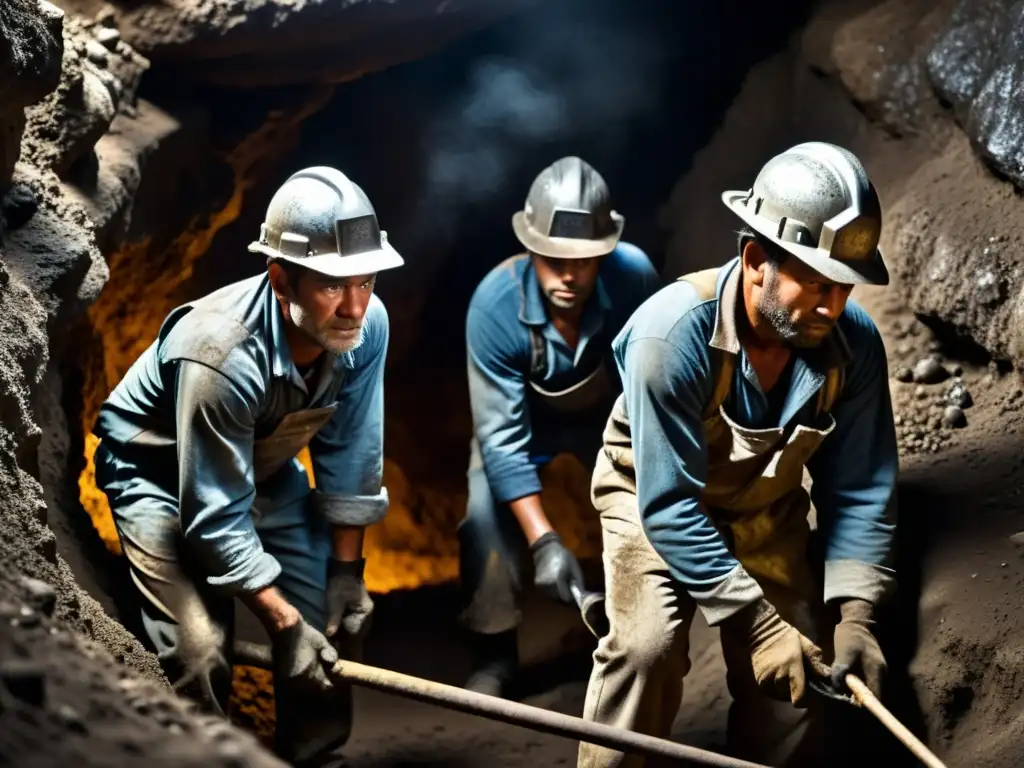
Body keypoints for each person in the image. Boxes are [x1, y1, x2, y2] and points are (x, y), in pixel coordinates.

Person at [578, 142, 899, 767]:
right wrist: (755, 624)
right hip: (652, 497)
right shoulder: (670, 335)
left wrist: (857, 616)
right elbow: (669, 505)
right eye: (814, 282)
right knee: (647, 650)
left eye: (844, 287)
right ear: (756, 260)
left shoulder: (852, 347)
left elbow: (859, 488)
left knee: (802, 668)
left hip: (762, 507)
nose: (832, 307)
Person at [92, 166, 404, 767]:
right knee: (201, 648)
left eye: (365, 281)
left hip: (262, 465)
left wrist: (345, 574)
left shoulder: (366, 327)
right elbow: (213, 518)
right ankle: (210, 755)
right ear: (281, 278)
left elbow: (353, 453)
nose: (354, 306)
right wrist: (284, 625)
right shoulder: (220, 353)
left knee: (332, 620)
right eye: (333, 285)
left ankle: (316, 755)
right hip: (155, 473)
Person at [459, 156, 662, 698]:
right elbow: (501, 443)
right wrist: (545, 540)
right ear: (530, 248)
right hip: (529, 427)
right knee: (483, 512)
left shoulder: (634, 278)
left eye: (585, 260)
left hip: (609, 417)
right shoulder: (495, 306)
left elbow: (651, 393)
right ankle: (495, 655)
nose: (570, 275)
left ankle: (643, 631)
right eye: (552, 260)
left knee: (655, 492)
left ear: (607, 251)